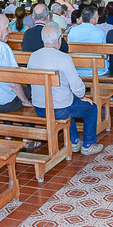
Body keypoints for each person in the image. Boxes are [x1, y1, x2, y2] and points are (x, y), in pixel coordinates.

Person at [29, 24, 102, 155]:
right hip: (60, 109)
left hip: (39, 107)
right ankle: (88, 145)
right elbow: (77, 87)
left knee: (70, 103)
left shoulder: (33, 56)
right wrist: (82, 97)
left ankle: (74, 142)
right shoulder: (64, 58)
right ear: (60, 39)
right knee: (91, 108)